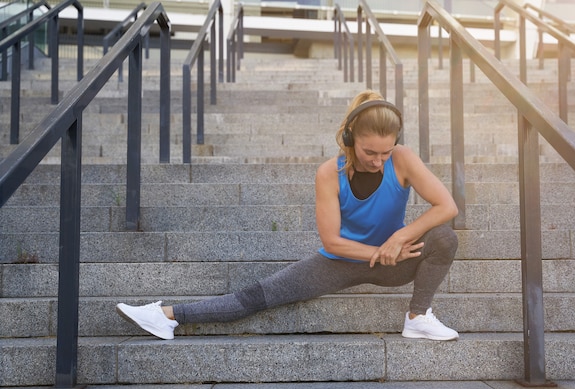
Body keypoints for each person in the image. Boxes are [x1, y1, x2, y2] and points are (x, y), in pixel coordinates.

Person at [116, 90, 460, 341]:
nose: (378, 161)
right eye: (371, 152)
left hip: (394, 260)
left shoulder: (402, 158)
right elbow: (332, 241)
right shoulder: (330, 173)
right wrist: (378, 253)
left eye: (385, 152)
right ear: (349, 138)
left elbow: (447, 206)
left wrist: (398, 239)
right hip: (341, 260)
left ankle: (418, 317)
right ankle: (166, 316)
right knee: (256, 295)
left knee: (444, 236)